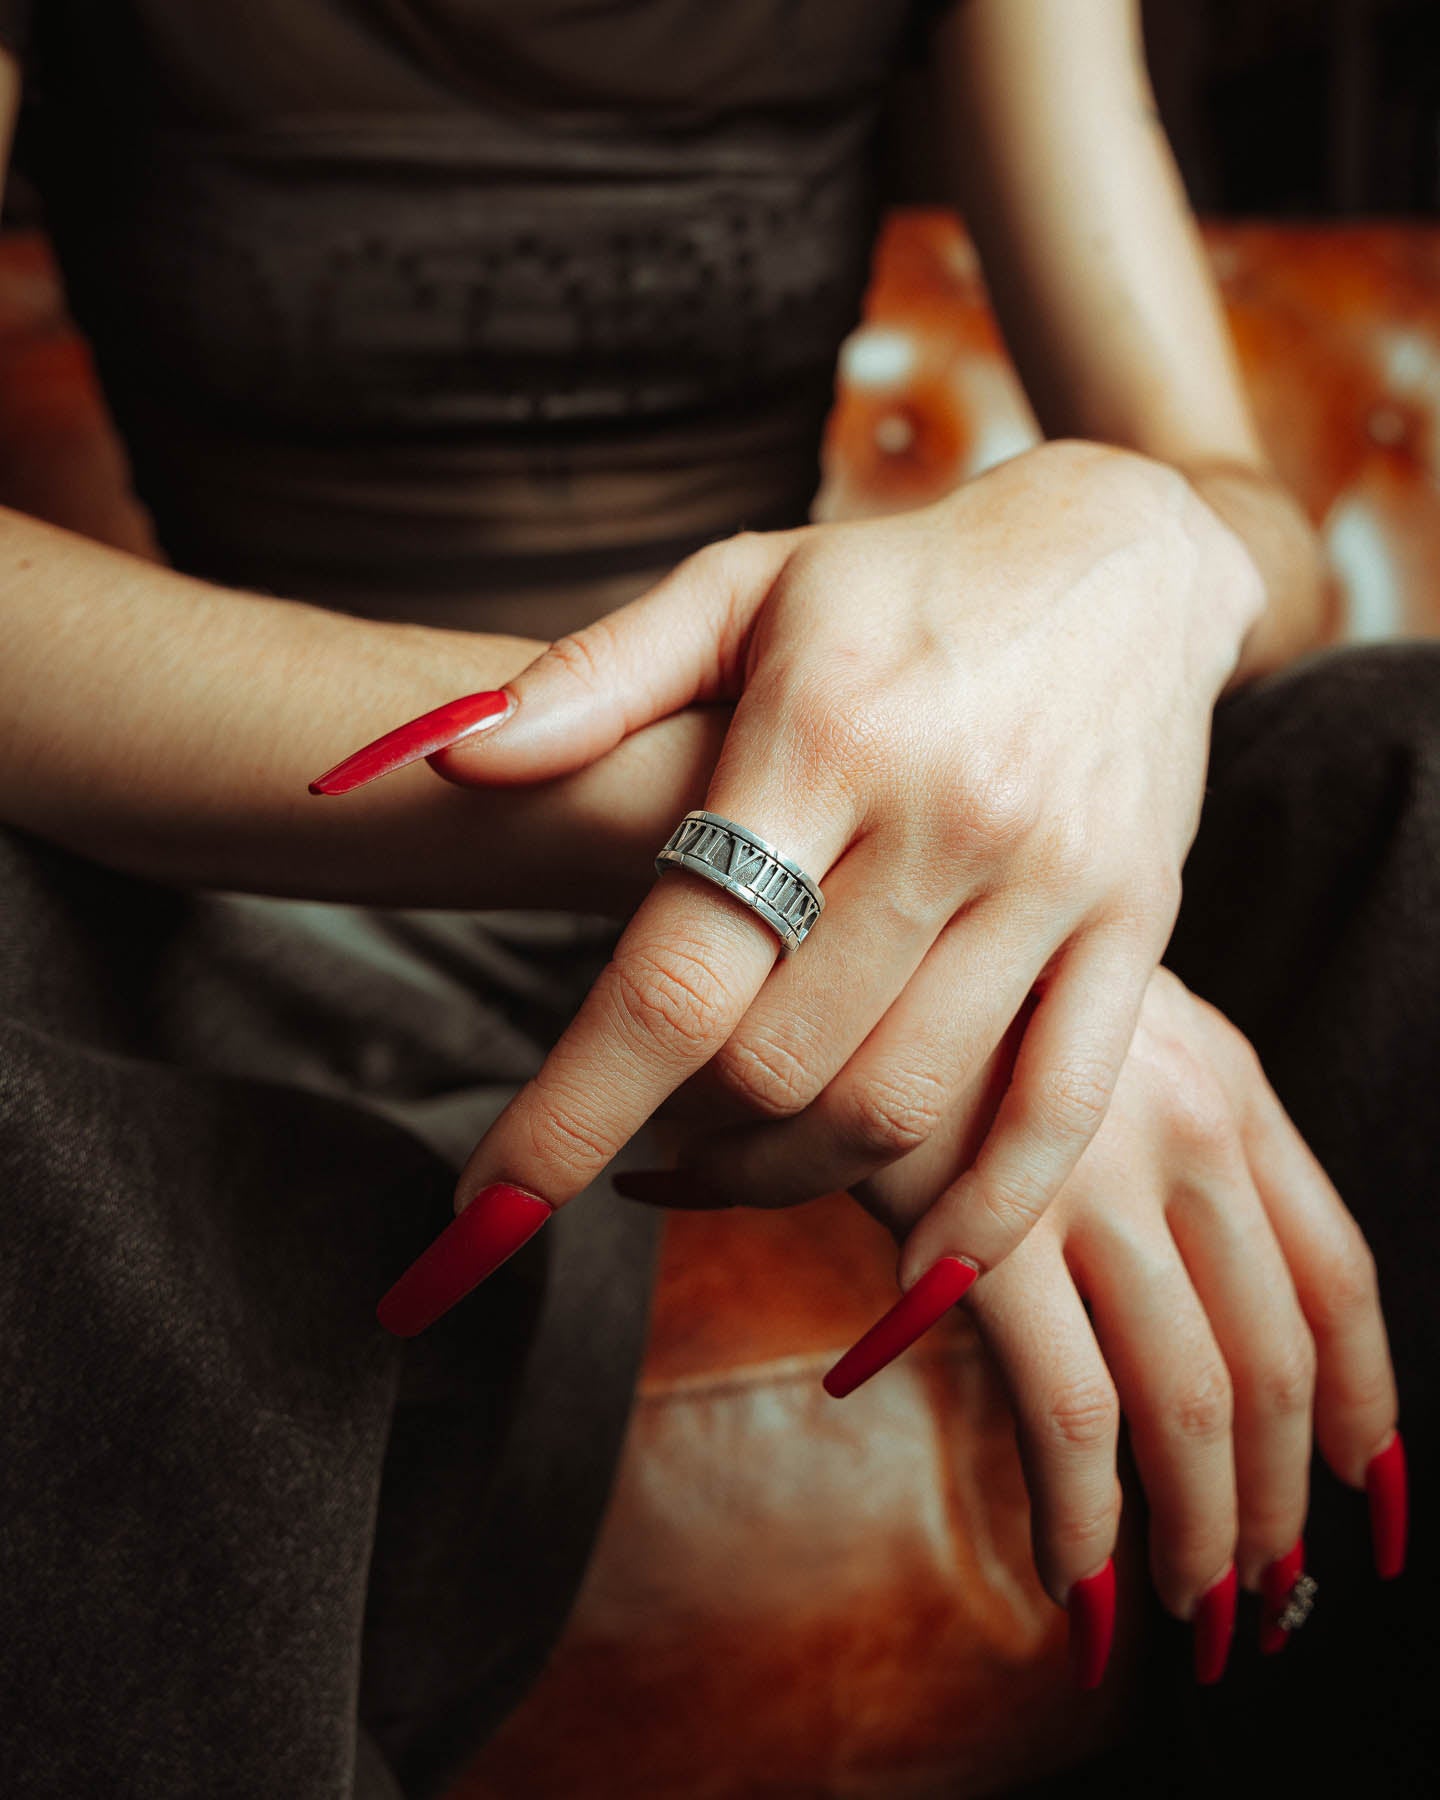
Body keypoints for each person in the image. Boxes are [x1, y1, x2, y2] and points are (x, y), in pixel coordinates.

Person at [0, 3, 1430, 1797]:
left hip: (825, 800)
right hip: (254, 856)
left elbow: (1251, 521)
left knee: (1419, 775)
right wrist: (786, 838)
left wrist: (1135, 542)